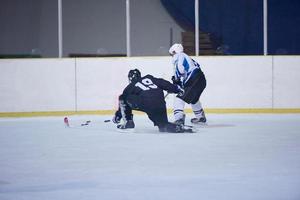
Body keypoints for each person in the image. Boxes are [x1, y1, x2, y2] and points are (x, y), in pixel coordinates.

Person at [112, 68, 192, 133]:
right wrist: (177, 89)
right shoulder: (149, 78)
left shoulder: (130, 87)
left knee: (122, 97)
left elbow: (123, 103)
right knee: (163, 127)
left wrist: (118, 116)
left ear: (130, 78)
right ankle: (178, 127)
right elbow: (163, 83)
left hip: (147, 103)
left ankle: (128, 123)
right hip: (161, 104)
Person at [169, 43, 207, 125]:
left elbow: (180, 70)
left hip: (193, 79)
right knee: (194, 99)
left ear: (174, 52)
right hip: (201, 80)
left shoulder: (178, 56)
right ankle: (201, 117)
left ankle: (179, 119)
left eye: (171, 54)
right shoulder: (188, 57)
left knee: (179, 98)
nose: (172, 56)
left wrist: (176, 79)